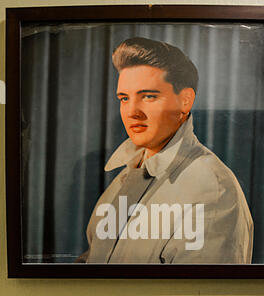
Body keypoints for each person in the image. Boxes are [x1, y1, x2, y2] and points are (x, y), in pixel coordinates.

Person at [77, 37, 253, 264]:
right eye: (124, 98)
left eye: (148, 96)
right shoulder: (124, 176)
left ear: (186, 101)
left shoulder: (212, 190)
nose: (132, 112)